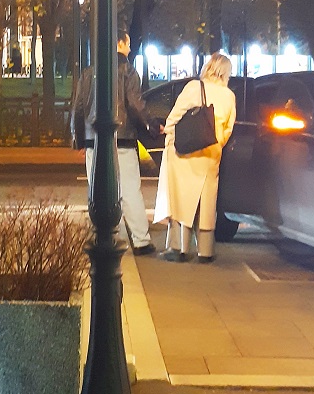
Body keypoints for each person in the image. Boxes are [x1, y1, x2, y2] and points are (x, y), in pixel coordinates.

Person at [72, 31, 158, 255]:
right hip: (122, 138)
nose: (130, 47)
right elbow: (135, 104)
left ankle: (108, 237)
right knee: (129, 190)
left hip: (93, 140)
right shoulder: (128, 71)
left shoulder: (88, 72)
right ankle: (141, 240)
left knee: (98, 191)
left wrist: (79, 139)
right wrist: (151, 126)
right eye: (128, 43)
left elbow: (79, 107)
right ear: (120, 43)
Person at [154, 52, 237, 263]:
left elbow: (174, 117)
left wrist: (169, 138)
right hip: (211, 154)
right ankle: (206, 250)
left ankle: (179, 248)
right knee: (206, 202)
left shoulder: (194, 87)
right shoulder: (229, 96)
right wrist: (216, 143)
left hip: (186, 152)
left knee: (182, 198)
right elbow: (228, 129)